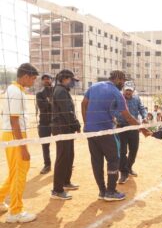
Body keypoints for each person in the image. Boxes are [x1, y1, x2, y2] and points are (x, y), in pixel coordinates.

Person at [82, 71, 150, 201]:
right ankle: (111, 191)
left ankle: (102, 191)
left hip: (91, 131)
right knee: (114, 160)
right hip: (106, 131)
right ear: (118, 79)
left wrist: (86, 124)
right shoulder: (116, 93)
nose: (123, 83)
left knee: (96, 161)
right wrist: (142, 129)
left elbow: (83, 104)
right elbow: (128, 116)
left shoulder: (94, 86)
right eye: (123, 81)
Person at [0, 63, 38, 223]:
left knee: (16, 172)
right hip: (15, 136)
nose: (34, 82)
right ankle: (15, 212)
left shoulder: (16, 90)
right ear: (25, 76)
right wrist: (23, 147)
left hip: (13, 135)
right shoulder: (15, 92)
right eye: (33, 79)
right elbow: (14, 120)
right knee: (19, 173)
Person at [51, 69, 81, 200]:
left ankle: (66, 182)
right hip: (62, 128)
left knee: (69, 155)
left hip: (66, 128)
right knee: (63, 157)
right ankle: (57, 190)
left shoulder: (63, 91)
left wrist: (73, 125)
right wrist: (76, 124)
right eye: (71, 80)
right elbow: (67, 112)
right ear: (64, 79)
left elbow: (69, 112)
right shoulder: (60, 91)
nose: (73, 83)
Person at [116, 86, 147, 184]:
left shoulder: (137, 98)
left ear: (133, 91)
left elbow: (142, 109)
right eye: (126, 90)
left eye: (130, 90)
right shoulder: (119, 98)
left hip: (134, 127)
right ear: (123, 91)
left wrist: (145, 116)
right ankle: (123, 173)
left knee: (134, 149)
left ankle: (129, 167)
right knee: (122, 151)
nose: (128, 92)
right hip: (122, 127)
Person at [36, 74, 53, 174]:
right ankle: (47, 165)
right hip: (44, 122)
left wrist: (49, 102)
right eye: (44, 79)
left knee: (61, 143)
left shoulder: (56, 91)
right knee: (45, 145)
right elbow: (42, 107)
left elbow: (59, 105)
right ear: (42, 81)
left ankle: (64, 162)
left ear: (51, 80)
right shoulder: (39, 93)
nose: (46, 81)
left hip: (56, 122)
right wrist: (51, 103)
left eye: (48, 79)